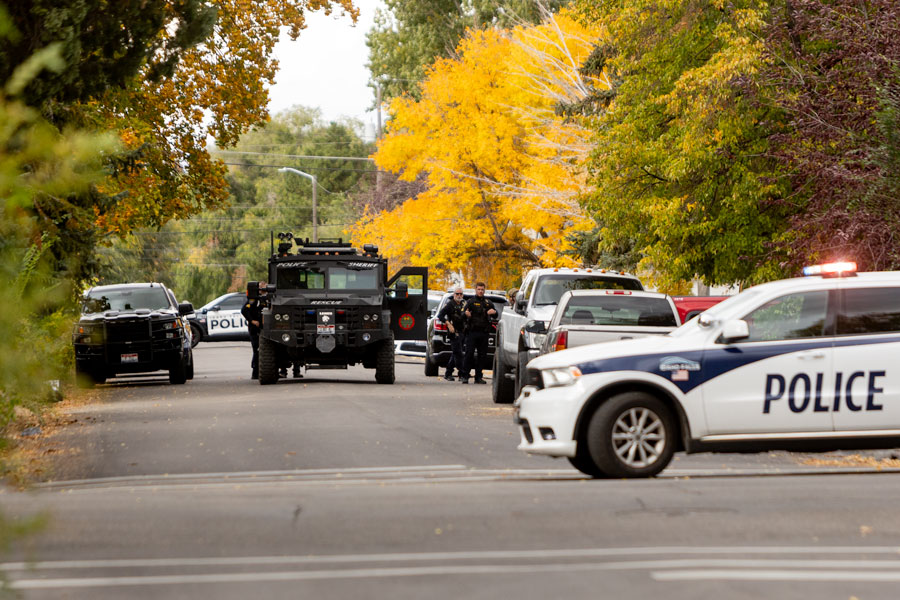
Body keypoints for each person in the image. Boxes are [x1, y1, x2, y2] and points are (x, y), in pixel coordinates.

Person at [460, 282, 497, 384]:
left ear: (484, 290)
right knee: (469, 354)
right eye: (479, 289)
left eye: (482, 289)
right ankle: (465, 376)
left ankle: (478, 377)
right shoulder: (470, 302)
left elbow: (495, 313)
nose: (480, 291)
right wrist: (466, 314)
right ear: (475, 290)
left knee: (482, 356)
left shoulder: (488, 302)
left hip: (484, 333)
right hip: (472, 332)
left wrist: (493, 312)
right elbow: (462, 313)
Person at [436, 287, 467, 381]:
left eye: (461, 294)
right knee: (458, 353)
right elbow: (440, 315)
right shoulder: (450, 304)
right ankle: (462, 374)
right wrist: (448, 323)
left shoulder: (464, 304)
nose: (459, 296)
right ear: (454, 294)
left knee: (456, 353)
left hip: (463, 331)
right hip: (454, 332)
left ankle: (448, 373)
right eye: (457, 294)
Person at [241, 282, 266, 380]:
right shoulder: (253, 299)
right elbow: (244, 310)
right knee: (257, 349)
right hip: (255, 328)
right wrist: (252, 320)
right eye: (261, 288)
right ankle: (255, 372)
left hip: (265, 328)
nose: (262, 290)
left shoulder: (268, 298)